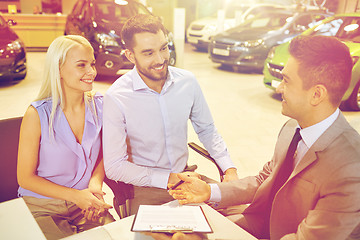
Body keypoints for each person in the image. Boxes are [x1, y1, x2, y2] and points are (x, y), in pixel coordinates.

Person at [169, 35, 360, 240]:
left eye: (286, 81)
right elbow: (265, 179)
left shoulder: (350, 168)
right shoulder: (292, 127)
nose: (278, 88)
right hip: (260, 223)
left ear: (316, 94)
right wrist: (209, 191)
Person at [103, 14, 238, 215]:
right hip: (147, 187)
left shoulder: (188, 82)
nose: (160, 60)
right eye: (148, 53)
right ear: (130, 56)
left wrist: (229, 169)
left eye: (163, 48)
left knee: (241, 212)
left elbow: (207, 130)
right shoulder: (117, 97)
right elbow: (114, 166)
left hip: (187, 177)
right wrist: (167, 178)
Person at [17, 35, 115, 240]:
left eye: (92, 64)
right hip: (42, 206)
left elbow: (111, 151)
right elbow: (25, 178)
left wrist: (95, 184)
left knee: (116, 235)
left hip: (86, 202)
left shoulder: (101, 105)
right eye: (82, 65)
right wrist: (75, 196)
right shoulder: (36, 115)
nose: (92, 72)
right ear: (58, 69)